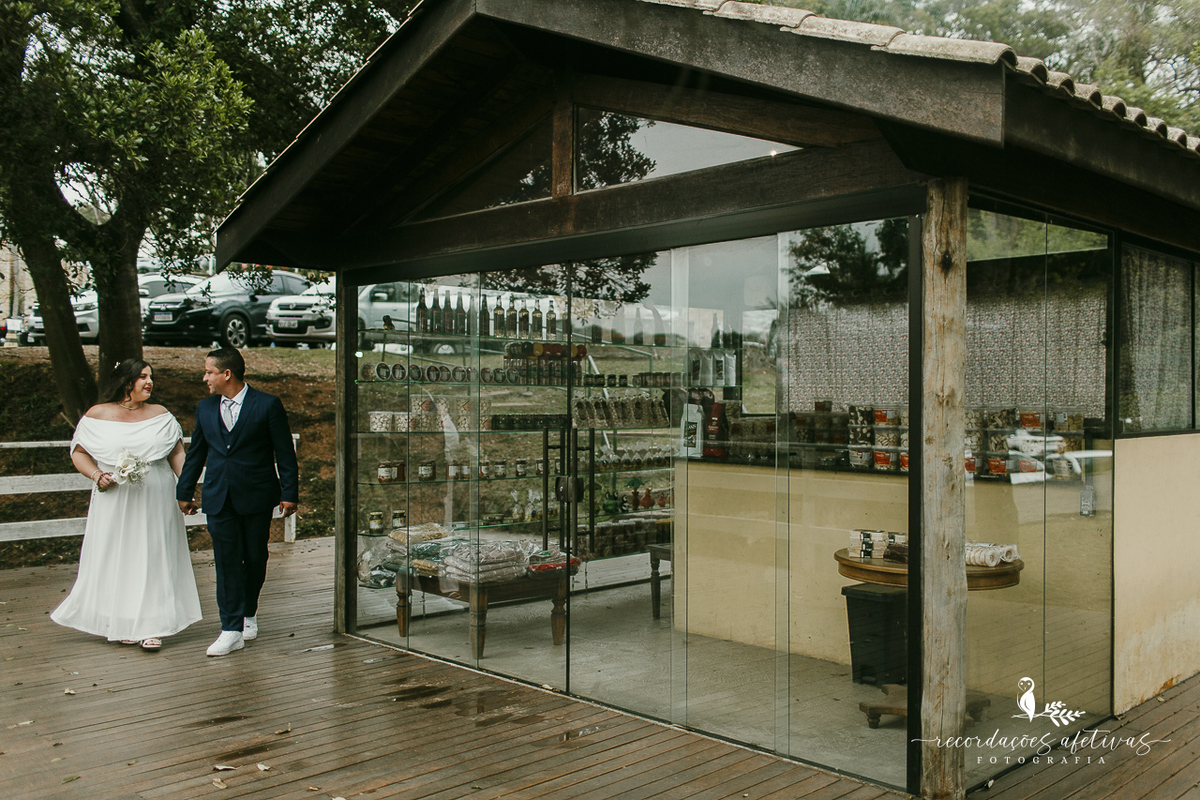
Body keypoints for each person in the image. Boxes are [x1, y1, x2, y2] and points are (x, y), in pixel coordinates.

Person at [51, 360, 202, 651]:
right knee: (118, 553)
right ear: (126, 382)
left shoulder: (161, 415)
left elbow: (177, 455)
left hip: (155, 496)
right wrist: (97, 475)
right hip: (115, 497)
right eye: (143, 377)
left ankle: (152, 624)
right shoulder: (97, 414)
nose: (150, 382)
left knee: (154, 553)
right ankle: (120, 621)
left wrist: (187, 488)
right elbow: (79, 453)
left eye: (151, 377)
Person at [177, 348, 298, 657]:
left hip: (257, 495)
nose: (204, 377)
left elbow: (284, 452)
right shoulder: (205, 408)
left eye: (209, 372)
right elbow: (197, 454)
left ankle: (248, 612)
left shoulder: (267, 405)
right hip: (219, 497)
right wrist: (184, 491)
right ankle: (230, 629)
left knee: (255, 557)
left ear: (226, 374)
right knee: (227, 561)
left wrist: (289, 493)